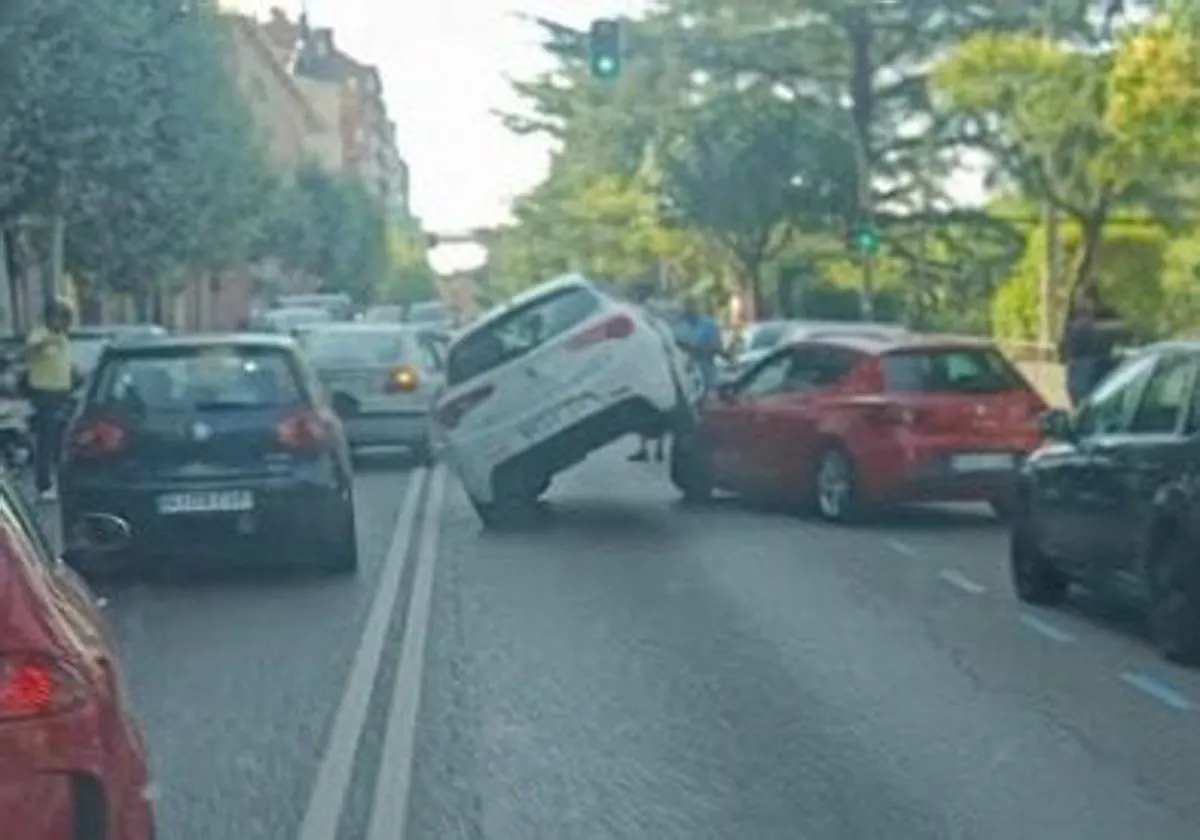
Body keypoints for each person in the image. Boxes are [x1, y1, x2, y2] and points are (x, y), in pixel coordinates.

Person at [25, 297, 75, 501]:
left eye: (66, 318)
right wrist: (46, 341)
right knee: (47, 440)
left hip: (63, 394)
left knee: (61, 442)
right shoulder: (40, 334)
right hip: (45, 394)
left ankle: (60, 483)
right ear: (50, 317)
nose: (63, 323)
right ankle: (43, 486)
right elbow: (29, 350)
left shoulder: (62, 337)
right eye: (60, 318)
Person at [1060, 285, 1124, 407]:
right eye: (1079, 299)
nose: (1081, 303)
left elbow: (1118, 328)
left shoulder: (1103, 317)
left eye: (1083, 299)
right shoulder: (1075, 318)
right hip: (1080, 370)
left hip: (1094, 370)